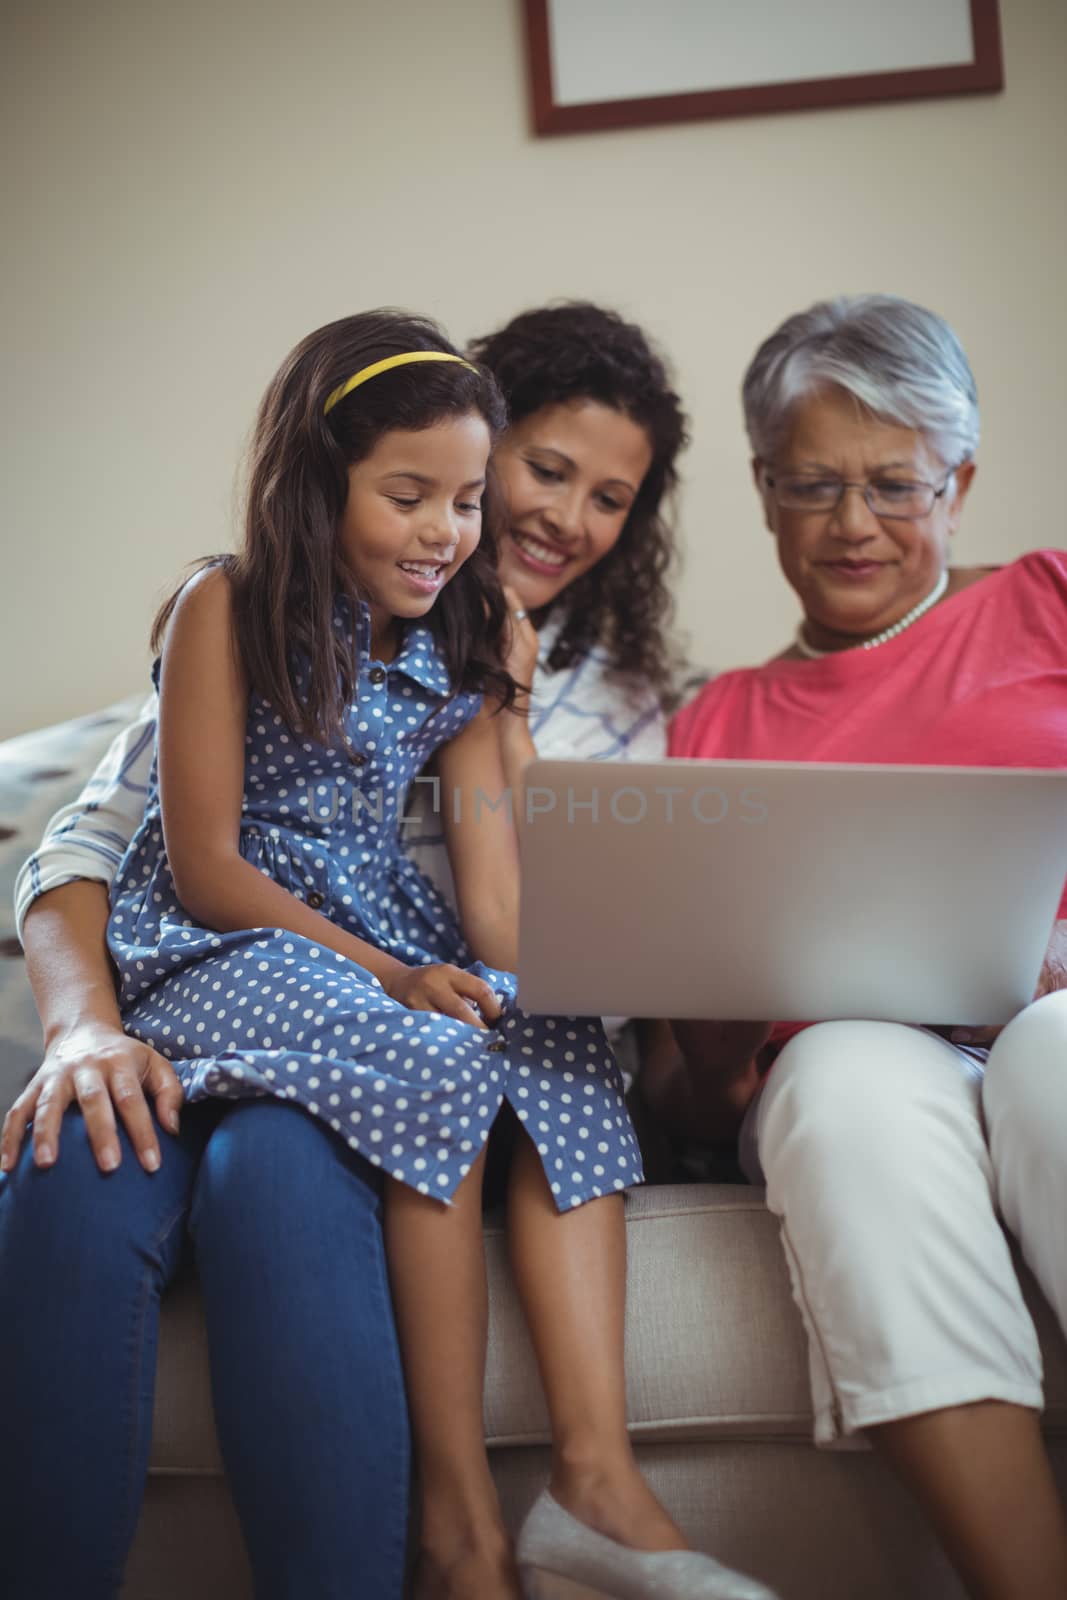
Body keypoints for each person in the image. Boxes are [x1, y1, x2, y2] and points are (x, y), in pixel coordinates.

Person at [1, 308, 774, 1600]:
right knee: (157, 1141)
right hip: (243, 959)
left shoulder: (529, 679)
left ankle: (575, 1495)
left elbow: (507, 915)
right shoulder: (233, 611)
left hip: (383, 980)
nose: (537, 519)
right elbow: (130, 850)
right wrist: (90, 1019)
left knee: (536, 1040)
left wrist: (666, 955)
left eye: (609, 498)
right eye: (532, 472)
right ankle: (458, 1525)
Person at [644, 294, 1067, 1600]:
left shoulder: (1047, 603)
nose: (853, 526)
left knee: (1054, 1054)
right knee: (837, 1083)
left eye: (895, 484)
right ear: (764, 490)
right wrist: (711, 1053)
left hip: (1056, 1018)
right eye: (813, 485)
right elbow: (683, 1089)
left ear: (962, 481)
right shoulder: (716, 723)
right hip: (856, 1053)